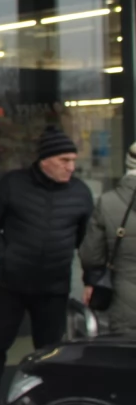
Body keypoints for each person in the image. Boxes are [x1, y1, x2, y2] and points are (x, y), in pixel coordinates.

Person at [0, 125, 93, 405]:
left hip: (52, 288)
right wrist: (3, 256)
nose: (71, 166)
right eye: (64, 159)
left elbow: (87, 242)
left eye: (73, 160)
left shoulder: (80, 193)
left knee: (49, 353)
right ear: (45, 160)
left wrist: (91, 278)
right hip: (10, 284)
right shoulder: (13, 185)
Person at [79, 142, 136, 335]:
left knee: (125, 361)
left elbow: (91, 256)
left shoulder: (107, 202)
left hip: (125, 306)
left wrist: (90, 280)